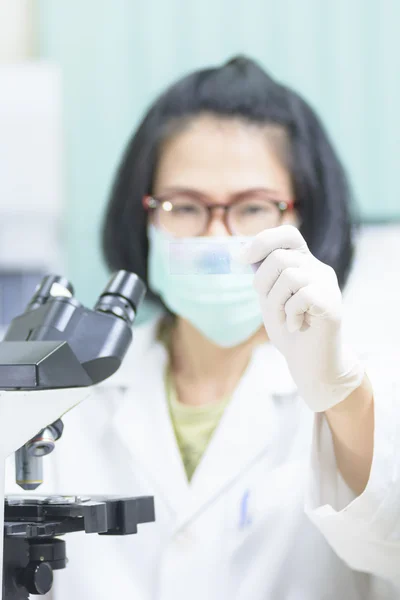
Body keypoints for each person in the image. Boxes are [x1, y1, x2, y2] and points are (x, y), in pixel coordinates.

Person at [15, 56, 400, 599]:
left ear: (304, 216)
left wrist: (341, 395)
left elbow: (392, 544)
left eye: (252, 208)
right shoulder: (73, 389)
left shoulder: (374, 381)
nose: (217, 235)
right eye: (185, 206)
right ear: (143, 214)